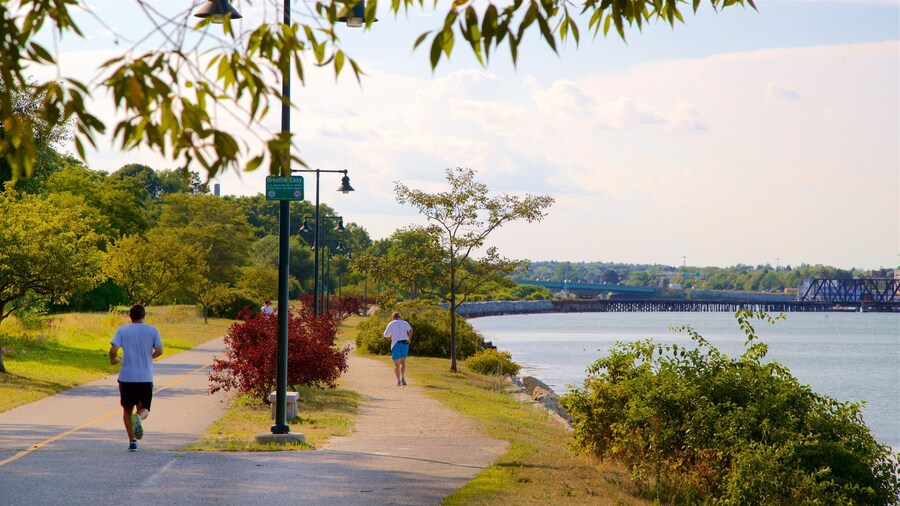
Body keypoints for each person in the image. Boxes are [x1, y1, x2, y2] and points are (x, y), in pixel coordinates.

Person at [109, 304, 163, 452]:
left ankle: (132, 441)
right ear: (144, 316)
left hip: (127, 377)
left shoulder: (123, 331)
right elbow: (159, 350)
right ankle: (139, 417)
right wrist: (149, 357)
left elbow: (113, 349)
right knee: (144, 408)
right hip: (145, 377)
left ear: (130, 316)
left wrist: (113, 360)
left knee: (127, 410)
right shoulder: (152, 331)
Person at [383, 311, 413, 386]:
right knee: (403, 362)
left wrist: (389, 337)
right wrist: (409, 339)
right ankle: (403, 378)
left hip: (396, 344)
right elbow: (411, 331)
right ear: (400, 317)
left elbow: (385, 335)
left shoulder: (391, 323)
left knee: (396, 364)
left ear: (393, 317)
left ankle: (398, 381)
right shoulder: (405, 323)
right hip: (405, 343)